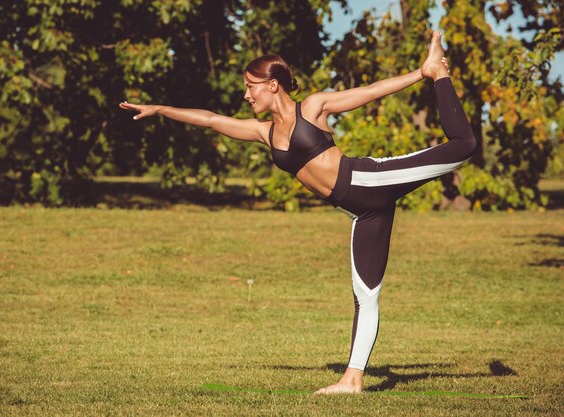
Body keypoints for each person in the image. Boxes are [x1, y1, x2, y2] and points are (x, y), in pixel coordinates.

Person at [119, 31, 476, 394]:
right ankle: (352, 381)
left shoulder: (313, 107)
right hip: (363, 213)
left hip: (370, 182)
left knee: (462, 146)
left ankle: (438, 72)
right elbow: (211, 120)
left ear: (272, 85)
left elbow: (369, 91)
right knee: (365, 294)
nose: (246, 94)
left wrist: (420, 74)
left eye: (250, 86)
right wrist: (160, 109)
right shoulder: (265, 132)